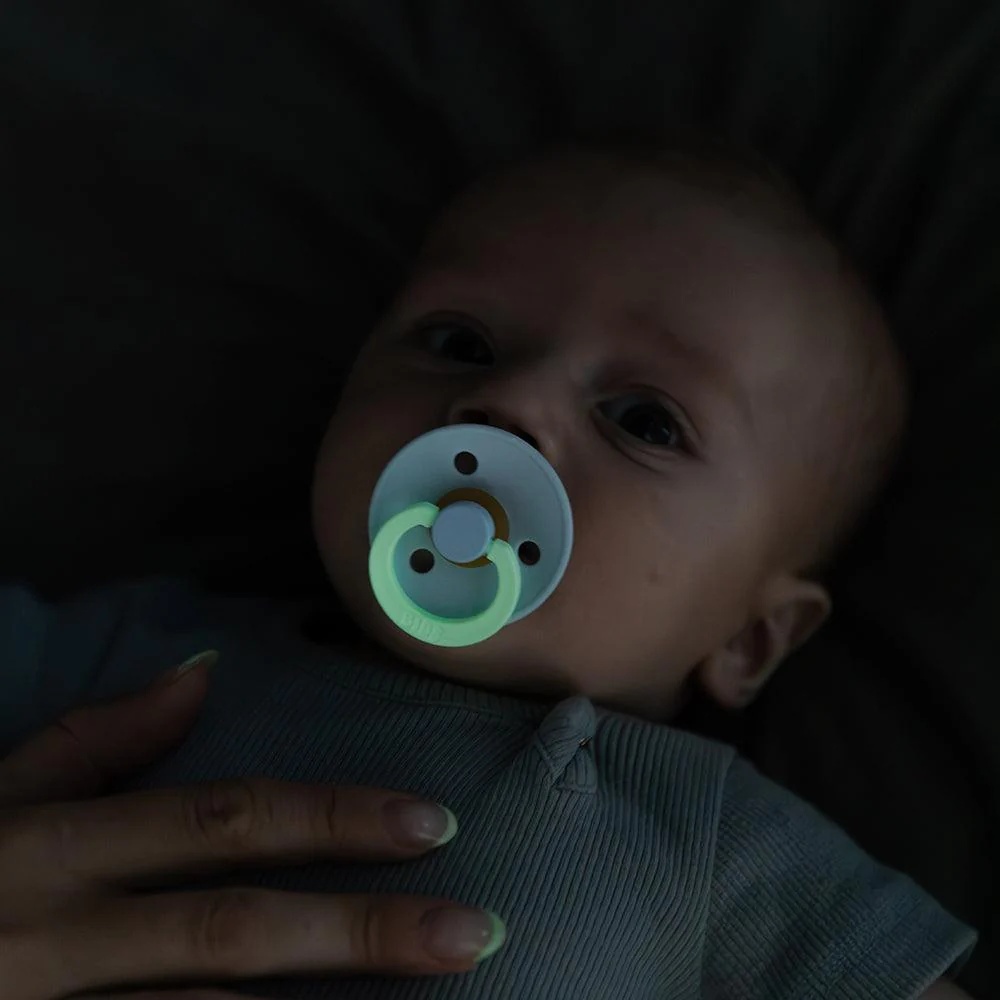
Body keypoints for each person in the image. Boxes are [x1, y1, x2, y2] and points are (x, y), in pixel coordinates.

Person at [0, 141, 978, 999]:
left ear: (750, 640)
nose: (508, 402)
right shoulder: (143, 662)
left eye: (645, 421)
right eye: (459, 342)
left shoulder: (713, 836)